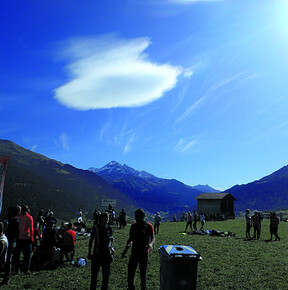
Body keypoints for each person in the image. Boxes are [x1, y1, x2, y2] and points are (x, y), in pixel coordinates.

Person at [122, 209, 155, 290]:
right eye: (135, 215)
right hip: (134, 253)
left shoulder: (148, 226)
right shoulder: (133, 226)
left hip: (144, 253)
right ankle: (131, 287)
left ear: (143, 216)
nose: (136, 217)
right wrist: (125, 250)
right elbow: (130, 239)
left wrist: (150, 244)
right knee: (130, 274)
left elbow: (153, 237)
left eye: (138, 216)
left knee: (143, 275)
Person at [88, 212, 114, 290]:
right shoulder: (96, 228)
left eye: (108, 218)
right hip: (97, 254)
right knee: (94, 275)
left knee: (105, 276)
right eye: (106, 218)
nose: (107, 219)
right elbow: (91, 240)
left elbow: (111, 239)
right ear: (102, 218)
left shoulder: (109, 228)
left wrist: (112, 248)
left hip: (106, 254)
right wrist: (89, 252)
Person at [14, 205, 34, 274]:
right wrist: (32, 238)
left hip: (19, 238)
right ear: (27, 210)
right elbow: (31, 229)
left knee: (17, 255)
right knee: (27, 255)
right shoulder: (29, 217)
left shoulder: (18, 217)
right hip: (26, 238)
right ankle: (26, 269)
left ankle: (17, 269)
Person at [2, 206, 20, 285]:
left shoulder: (9, 220)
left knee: (7, 259)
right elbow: (17, 234)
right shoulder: (16, 221)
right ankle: (7, 277)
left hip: (8, 240)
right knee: (9, 259)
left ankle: (6, 277)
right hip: (12, 241)